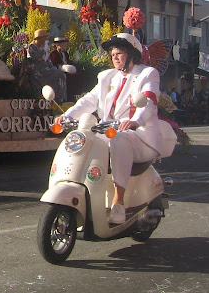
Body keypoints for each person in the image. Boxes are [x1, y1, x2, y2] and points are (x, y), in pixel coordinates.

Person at [53, 33, 163, 225]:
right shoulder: (107, 77)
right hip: (109, 131)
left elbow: (149, 100)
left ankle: (118, 202)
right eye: (112, 54)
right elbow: (88, 101)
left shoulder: (147, 74)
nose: (115, 58)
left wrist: (135, 120)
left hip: (139, 135)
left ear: (132, 55)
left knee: (119, 139)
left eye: (119, 53)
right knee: (83, 137)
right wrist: (67, 116)